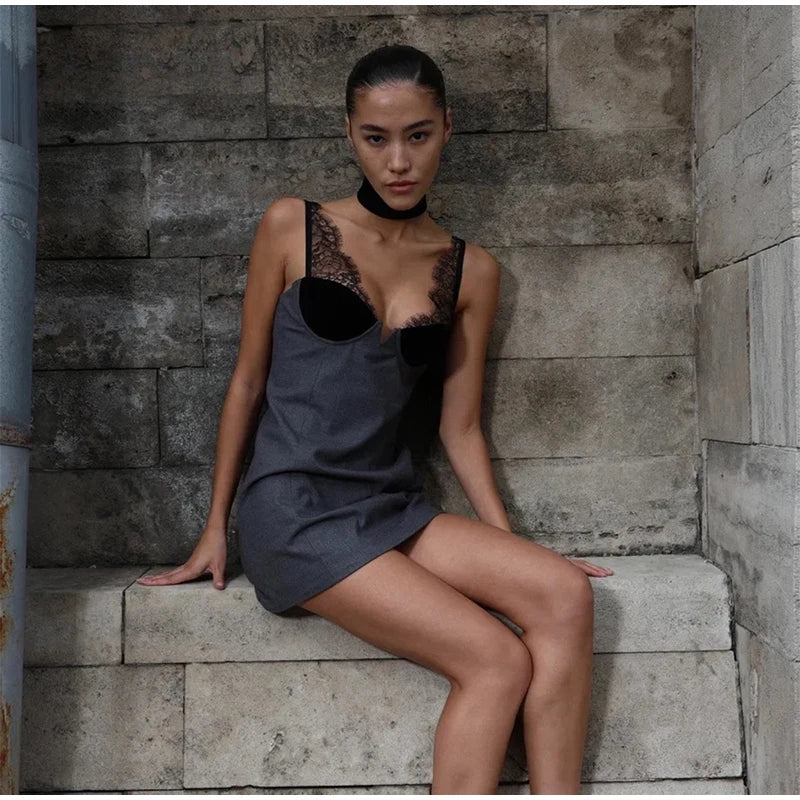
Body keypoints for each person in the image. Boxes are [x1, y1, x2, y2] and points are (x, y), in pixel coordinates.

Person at [137, 43, 615, 795]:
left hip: (389, 505)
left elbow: (459, 427)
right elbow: (248, 382)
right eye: (377, 138)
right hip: (292, 513)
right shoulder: (290, 226)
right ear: (349, 133)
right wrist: (213, 524)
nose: (398, 161)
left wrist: (507, 541)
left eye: (418, 136)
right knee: (496, 659)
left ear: (448, 129)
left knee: (562, 593)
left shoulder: (470, 269)